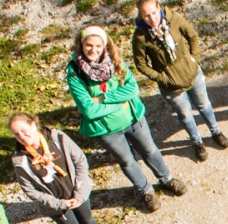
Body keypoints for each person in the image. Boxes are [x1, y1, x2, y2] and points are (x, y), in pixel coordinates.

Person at [66, 25, 187, 212]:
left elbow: (132, 89)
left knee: (150, 151)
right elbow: (88, 110)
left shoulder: (114, 61)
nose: (93, 50)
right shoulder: (75, 72)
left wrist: (102, 99)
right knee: (127, 161)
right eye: (88, 45)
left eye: (98, 46)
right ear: (80, 44)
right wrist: (119, 103)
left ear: (105, 46)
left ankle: (166, 179)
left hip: (133, 118)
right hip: (107, 129)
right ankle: (145, 191)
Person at [8, 112, 121, 224]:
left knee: (88, 219)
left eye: (24, 131)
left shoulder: (57, 138)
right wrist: (60, 204)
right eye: (17, 134)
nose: (22, 137)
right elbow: (29, 190)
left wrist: (80, 193)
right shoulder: (20, 160)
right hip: (56, 205)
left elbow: (80, 160)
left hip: (77, 193)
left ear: (33, 124)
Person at [132, 0, 228, 161]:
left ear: (159, 8)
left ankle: (216, 132)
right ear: (141, 16)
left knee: (204, 105)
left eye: (154, 13)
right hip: (171, 85)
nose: (152, 18)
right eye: (146, 16)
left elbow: (192, 36)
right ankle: (197, 142)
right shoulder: (140, 37)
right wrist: (161, 78)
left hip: (192, 73)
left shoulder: (174, 19)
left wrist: (194, 59)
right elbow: (141, 64)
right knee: (185, 114)